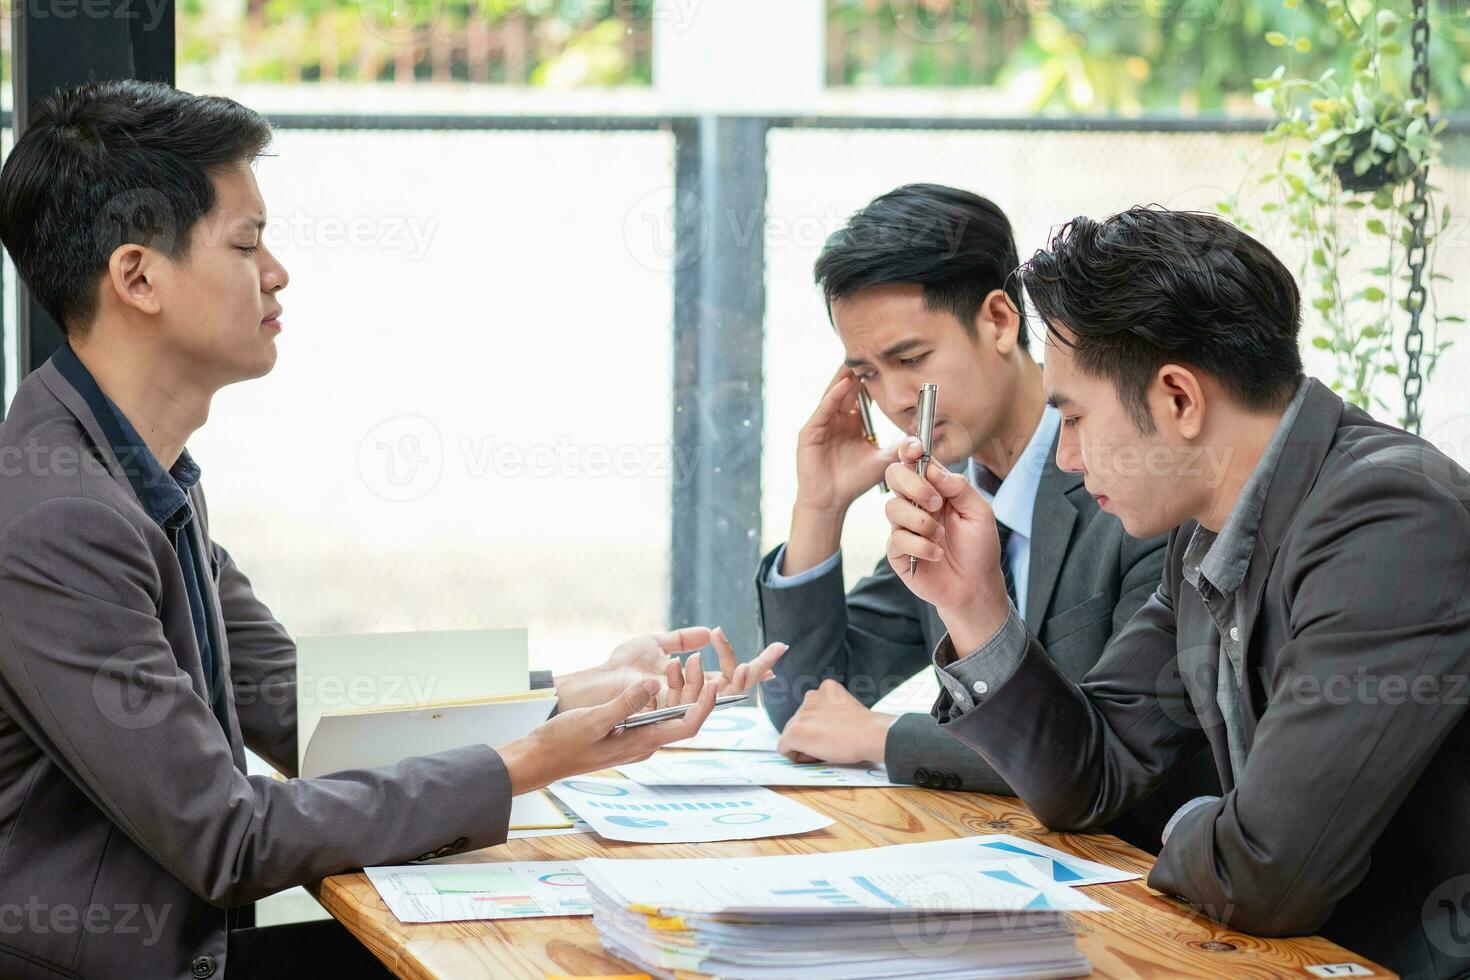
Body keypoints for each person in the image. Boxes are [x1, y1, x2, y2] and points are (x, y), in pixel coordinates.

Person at [0, 80, 783, 980]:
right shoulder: (60, 520)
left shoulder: (131, 465)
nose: (278, 270)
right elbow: (228, 837)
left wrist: (575, 694)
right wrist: (529, 759)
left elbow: (300, 708)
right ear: (137, 276)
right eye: (248, 241)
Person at [883, 205, 1470, 978]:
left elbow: (1267, 876)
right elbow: (1090, 773)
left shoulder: (1390, 517)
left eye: (1074, 418)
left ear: (1178, 400)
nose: (1064, 458)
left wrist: (1192, 821)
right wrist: (973, 602)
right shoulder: (1205, 536)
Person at [756, 184, 1217, 849]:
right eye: (866, 376)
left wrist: (883, 735)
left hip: (1142, 877)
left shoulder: (1137, 489)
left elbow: (1101, 753)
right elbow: (808, 704)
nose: (892, 398)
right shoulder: (944, 497)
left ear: (1000, 321)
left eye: (911, 360)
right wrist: (820, 507)